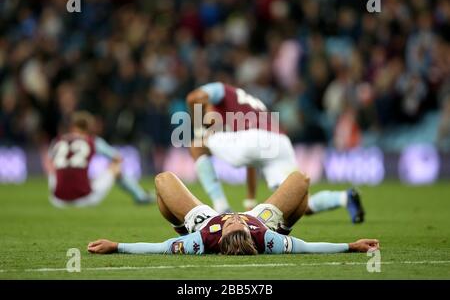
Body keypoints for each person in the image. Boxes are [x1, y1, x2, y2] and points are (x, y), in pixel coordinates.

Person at [185, 82, 364, 223]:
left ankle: (221, 207)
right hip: (279, 143)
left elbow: (194, 96)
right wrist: (250, 201)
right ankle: (344, 197)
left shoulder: (222, 92)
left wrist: (199, 127)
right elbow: (252, 160)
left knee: (196, 145)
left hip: (255, 140)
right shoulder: (248, 106)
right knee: (300, 202)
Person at [88, 171, 379, 255]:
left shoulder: (201, 242)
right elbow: (309, 248)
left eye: (231, 225)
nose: (234, 218)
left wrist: (117, 246)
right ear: (250, 234)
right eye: (239, 223)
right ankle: (287, 223)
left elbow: (158, 248)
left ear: (221, 235)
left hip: (202, 222)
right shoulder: (267, 239)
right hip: (266, 219)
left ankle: (180, 224)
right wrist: (351, 246)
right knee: (301, 181)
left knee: (162, 182)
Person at [46, 111, 154, 207]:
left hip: (57, 200)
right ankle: (141, 196)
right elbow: (118, 158)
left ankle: (63, 190)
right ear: (89, 127)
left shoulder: (58, 141)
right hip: (84, 199)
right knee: (115, 167)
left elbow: (49, 163)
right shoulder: (92, 141)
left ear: (72, 126)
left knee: (54, 168)